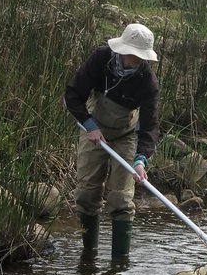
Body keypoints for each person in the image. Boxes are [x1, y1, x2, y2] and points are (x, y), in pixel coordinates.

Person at [64, 22, 160, 262]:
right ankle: (89, 255)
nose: (138, 60)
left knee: (120, 198)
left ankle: (119, 265)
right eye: (134, 55)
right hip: (93, 128)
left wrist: (141, 159)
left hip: (126, 136)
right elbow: (73, 95)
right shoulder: (101, 59)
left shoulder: (148, 81)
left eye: (142, 56)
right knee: (86, 194)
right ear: (122, 50)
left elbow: (149, 126)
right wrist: (89, 125)